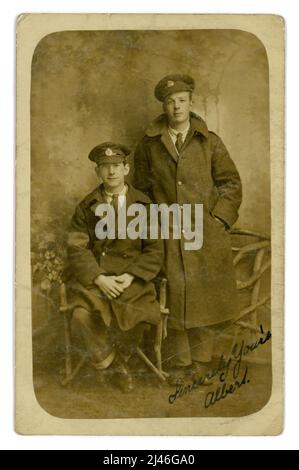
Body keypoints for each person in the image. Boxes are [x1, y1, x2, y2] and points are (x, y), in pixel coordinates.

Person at [133, 74, 242, 384]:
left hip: (205, 234)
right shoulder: (150, 144)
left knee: (203, 296)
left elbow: (230, 183)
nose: (176, 106)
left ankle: (203, 362)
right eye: (170, 101)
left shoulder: (210, 141)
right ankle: (181, 364)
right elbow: (140, 190)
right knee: (176, 294)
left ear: (191, 102)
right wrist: (151, 226)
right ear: (163, 106)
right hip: (167, 232)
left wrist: (219, 219)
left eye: (181, 100)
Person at [66, 142, 164, 392]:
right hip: (98, 282)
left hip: (131, 281)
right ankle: (111, 363)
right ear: (97, 172)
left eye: (116, 166)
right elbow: (77, 248)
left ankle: (121, 358)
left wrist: (131, 276)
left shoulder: (144, 204)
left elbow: (155, 249)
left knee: (140, 316)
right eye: (105, 167)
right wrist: (98, 278)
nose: (111, 172)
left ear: (126, 169)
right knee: (80, 316)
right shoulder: (86, 207)